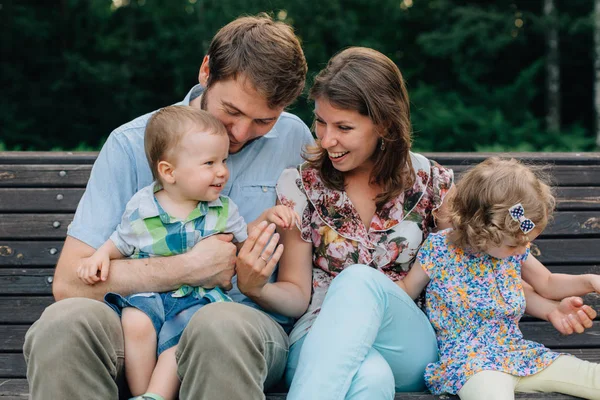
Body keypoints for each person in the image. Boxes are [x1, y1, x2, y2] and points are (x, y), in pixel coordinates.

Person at [233, 47, 598, 400]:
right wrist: (257, 289)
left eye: (344, 127)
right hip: (318, 340)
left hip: (406, 342)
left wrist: (548, 304)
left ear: (384, 124)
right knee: (370, 380)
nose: (327, 139)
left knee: (358, 280)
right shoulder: (300, 185)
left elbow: (482, 256)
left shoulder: (432, 183)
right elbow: (297, 296)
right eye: (321, 122)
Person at [23, 14, 312, 400]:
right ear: (206, 70)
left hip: (243, 327)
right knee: (62, 324)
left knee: (218, 326)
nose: (241, 134)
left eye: (264, 120)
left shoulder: (295, 139)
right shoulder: (130, 144)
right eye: (232, 111)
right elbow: (69, 284)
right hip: (132, 324)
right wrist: (187, 268)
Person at [75, 106, 300, 400]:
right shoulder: (143, 207)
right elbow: (121, 241)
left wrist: (269, 217)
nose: (222, 172)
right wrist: (100, 256)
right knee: (134, 321)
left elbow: (245, 240)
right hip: (150, 298)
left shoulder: (222, 211)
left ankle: (157, 394)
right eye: (209, 163)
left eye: (223, 161)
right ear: (169, 172)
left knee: (182, 342)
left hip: (196, 303)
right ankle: (143, 392)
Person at [396, 157, 600, 399]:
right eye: (515, 243)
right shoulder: (440, 250)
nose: (524, 247)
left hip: (518, 354)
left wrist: (589, 281)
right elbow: (405, 290)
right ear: (482, 230)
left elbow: (547, 283)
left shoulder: (513, 250)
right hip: (470, 363)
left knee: (592, 378)